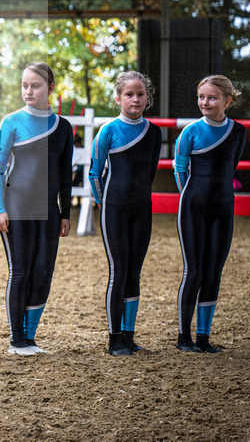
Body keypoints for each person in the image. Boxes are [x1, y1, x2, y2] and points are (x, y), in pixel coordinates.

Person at [0, 62, 73, 357]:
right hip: (16, 209)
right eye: (24, 85)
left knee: (43, 272)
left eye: (35, 86)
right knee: (21, 271)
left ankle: (30, 337)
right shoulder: (11, 121)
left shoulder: (63, 127)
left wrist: (65, 213)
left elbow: (65, 175)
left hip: (49, 212)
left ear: (50, 88)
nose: (28, 91)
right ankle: (16, 340)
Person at [89, 71, 161, 356]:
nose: (135, 99)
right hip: (114, 209)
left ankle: (130, 336)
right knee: (118, 272)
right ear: (118, 98)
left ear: (147, 98)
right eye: (129, 94)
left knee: (134, 273)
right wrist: (101, 202)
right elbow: (95, 172)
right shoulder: (109, 130)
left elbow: (151, 171)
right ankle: (114, 338)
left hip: (142, 208)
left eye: (140, 94)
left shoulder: (154, 132)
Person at [174, 75, 246, 354]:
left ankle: (203, 337)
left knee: (214, 272)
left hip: (223, 208)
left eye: (212, 97)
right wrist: (191, 198)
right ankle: (184, 337)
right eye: (201, 97)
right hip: (193, 208)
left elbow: (231, 166)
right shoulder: (190, 132)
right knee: (194, 271)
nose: (205, 102)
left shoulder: (238, 132)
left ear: (227, 101)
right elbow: (180, 172)